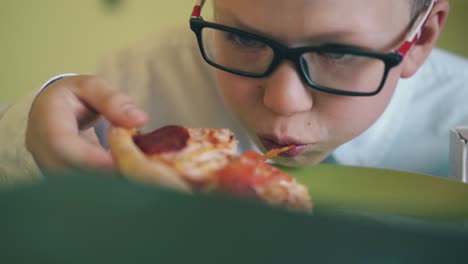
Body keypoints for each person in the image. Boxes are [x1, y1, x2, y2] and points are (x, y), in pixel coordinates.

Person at [1, 0, 467, 184]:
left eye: (341, 53)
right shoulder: (139, 82)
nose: (283, 102)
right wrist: (26, 134)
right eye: (243, 38)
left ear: (420, 40)